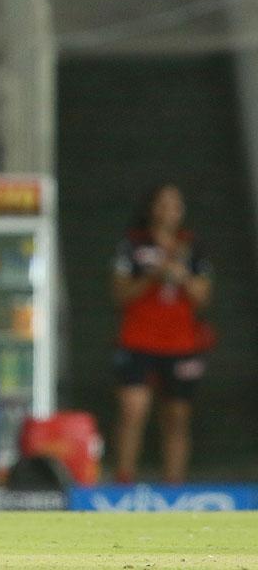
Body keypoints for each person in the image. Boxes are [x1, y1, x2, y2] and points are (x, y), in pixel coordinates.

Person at [111, 183, 213, 483]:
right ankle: (124, 481)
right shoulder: (133, 246)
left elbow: (203, 298)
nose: (170, 210)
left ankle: (175, 487)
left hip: (181, 343)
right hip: (137, 339)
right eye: (163, 204)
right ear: (151, 208)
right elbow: (119, 294)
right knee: (133, 410)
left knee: (177, 417)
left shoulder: (193, 248)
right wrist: (153, 275)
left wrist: (181, 275)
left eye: (175, 204)